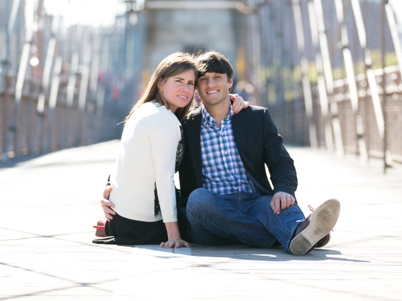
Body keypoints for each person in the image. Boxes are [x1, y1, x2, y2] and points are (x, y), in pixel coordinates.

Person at [103, 51, 338, 255]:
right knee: (197, 199)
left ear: (230, 82)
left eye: (217, 78)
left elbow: (281, 162)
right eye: (202, 80)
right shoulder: (183, 125)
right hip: (209, 214)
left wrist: (284, 190)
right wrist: (113, 190)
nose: (210, 84)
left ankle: (300, 232)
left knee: (278, 204)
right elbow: (144, 157)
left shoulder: (255, 117)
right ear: (197, 89)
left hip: (253, 200)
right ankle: (292, 235)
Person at [100, 53, 196, 249]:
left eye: (191, 83)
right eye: (178, 81)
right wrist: (173, 235)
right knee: (205, 211)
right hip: (144, 226)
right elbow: (164, 177)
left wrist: (111, 190)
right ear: (161, 83)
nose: (186, 89)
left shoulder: (142, 110)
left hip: (120, 220)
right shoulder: (164, 120)